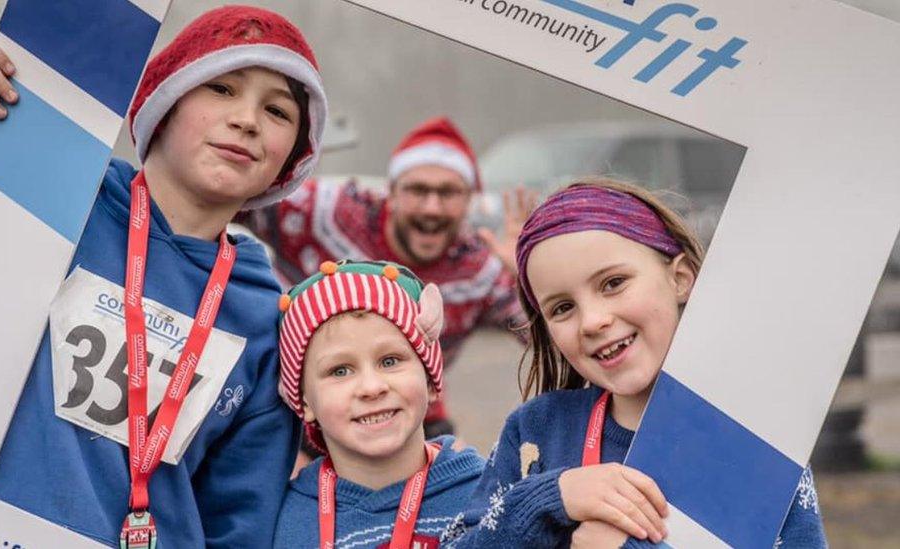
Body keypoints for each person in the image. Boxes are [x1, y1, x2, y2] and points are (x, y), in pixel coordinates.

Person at [0, 6, 327, 547]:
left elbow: (240, 516)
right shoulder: (52, 190)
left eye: (278, 112)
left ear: (290, 159)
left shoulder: (265, 311)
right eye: (223, 89)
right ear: (167, 101)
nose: (248, 120)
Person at [439, 178, 827, 548]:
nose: (593, 321)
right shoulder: (535, 432)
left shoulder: (753, 441)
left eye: (613, 283)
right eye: (562, 308)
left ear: (680, 278)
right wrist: (550, 499)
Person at [240, 116, 533, 439]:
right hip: (293, 404)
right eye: (417, 190)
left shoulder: (480, 270)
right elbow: (226, 198)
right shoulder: (326, 212)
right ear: (391, 192)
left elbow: (550, 339)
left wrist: (534, 277)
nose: (432, 208)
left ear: (469, 201)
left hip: (406, 413)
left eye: (449, 193)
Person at [272, 260, 484, 548]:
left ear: (431, 380)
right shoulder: (280, 520)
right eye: (340, 371)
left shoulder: (488, 494)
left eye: (390, 361)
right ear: (304, 401)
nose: (371, 388)